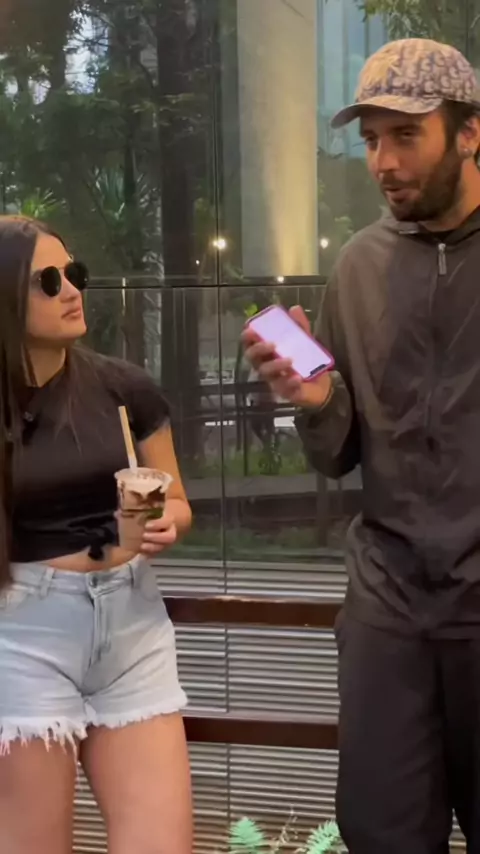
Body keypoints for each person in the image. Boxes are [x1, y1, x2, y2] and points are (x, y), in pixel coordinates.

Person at [243, 37, 480, 854]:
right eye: (372, 139)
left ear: (469, 133)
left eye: (405, 135)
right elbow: (337, 453)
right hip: (388, 614)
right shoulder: (357, 267)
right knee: (382, 835)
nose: (383, 161)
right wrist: (315, 401)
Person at [0, 215, 192, 854]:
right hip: (22, 635)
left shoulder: (123, 386)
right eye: (47, 281)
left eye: (74, 274)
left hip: (132, 626)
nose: (72, 291)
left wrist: (167, 521)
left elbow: (177, 500)